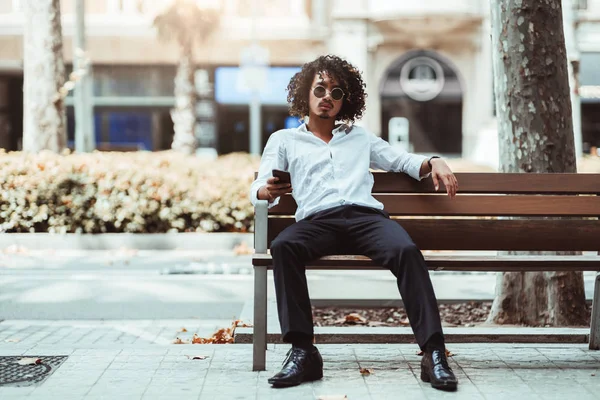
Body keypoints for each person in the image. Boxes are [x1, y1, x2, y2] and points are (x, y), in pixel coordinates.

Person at [249, 55, 459, 392]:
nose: (327, 97)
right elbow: (258, 186)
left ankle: (433, 353)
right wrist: (264, 190)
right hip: (318, 222)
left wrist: (433, 161)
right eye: (320, 89)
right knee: (283, 246)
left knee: (406, 250)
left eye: (336, 92)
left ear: (346, 100)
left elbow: (401, 160)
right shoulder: (284, 141)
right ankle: (303, 351)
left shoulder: (359, 138)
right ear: (306, 94)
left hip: (365, 220)